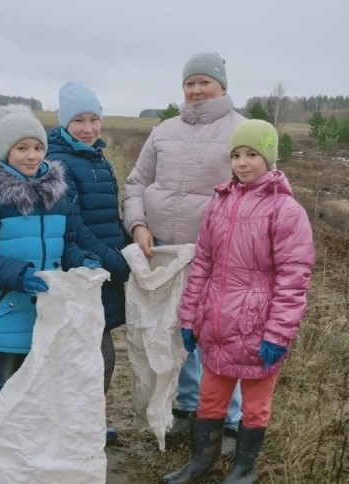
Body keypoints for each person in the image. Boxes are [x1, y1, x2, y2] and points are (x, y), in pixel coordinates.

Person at [161, 119, 315, 483]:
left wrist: (278, 334)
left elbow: (294, 279)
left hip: (258, 328)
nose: (242, 163)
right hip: (218, 326)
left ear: (270, 158)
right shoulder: (220, 202)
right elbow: (203, 264)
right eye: (236, 155)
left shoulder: (285, 211)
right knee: (210, 399)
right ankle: (203, 461)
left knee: (255, 407)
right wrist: (190, 318)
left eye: (251, 154)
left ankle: (244, 469)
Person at [123, 52, 246, 447]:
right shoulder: (163, 131)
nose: (195, 90)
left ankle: (231, 417)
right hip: (161, 250)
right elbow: (137, 182)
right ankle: (189, 405)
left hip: (214, 253)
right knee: (176, 331)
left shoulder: (242, 129)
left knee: (217, 331)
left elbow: (256, 191)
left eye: (204, 82)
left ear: (222, 86)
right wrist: (138, 225)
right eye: (189, 83)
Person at [0, 104, 100, 415]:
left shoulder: (56, 196)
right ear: (5, 151)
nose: (32, 156)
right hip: (5, 311)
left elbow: (68, 242)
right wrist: (18, 275)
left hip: (49, 313)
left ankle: (32, 451)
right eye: (22, 148)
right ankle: (1, 453)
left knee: (43, 383)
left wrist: (83, 260)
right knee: (5, 382)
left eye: (37, 147)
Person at [46, 81, 131, 444]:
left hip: (101, 275)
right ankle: (75, 428)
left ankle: (86, 423)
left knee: (99, 356)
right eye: (78, 120)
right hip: (82, 273)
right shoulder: (59, 162)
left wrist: (133, 245)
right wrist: (115, 262)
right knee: (93, 356)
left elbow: (107, 218)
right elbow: (73, 225)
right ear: (65, 123)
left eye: (93, 119)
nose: (87, 128)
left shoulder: (97, 158)